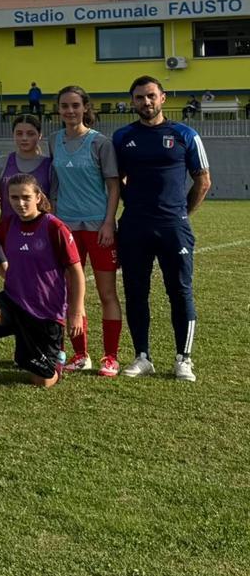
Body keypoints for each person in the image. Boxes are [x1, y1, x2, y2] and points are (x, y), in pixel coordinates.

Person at [112, 76, 210, 381]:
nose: (146, 102)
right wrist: (136, 205)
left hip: (173, 228)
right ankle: (142, 356)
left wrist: (181, 214)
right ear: (132, 102)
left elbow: (203, 180)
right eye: (139, 97)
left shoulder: (185, 134)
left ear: (163, 98)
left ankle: (184, 358)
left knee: (180, 292)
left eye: (151, 96)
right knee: (135, 292)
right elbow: (117, 181)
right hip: (134, 227)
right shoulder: (122, 137)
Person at [0, 174, 83, 390]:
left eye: (25, 197)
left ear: (37, 197)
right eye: (14, 198)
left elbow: (76, 271)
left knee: (41, 381)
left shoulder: (54, 227)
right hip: (12, 301)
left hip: (45, 311)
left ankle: (56, 359)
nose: (20, 203)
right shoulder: (8, 225)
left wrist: (76, 311)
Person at [49, 85, 123, 376]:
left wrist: (108, 221)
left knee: (107, 293)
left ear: (85, 108)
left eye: (75, 105)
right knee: (69, 291)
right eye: (64, 106)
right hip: (67, 226)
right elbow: (54, 186)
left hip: (97, 226)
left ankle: (111, 356)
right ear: (59, 110)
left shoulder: (99, 143)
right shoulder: (54, 140)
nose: (69, 111)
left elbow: (114, 185)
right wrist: (55, 220)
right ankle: (80, 354)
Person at [0, 115, 54, 200]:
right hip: (7, 214)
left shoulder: (50, 165)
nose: (24, 138)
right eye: (19, 134)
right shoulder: (2, 163)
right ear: (13, 135)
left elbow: (54, 199)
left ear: (40, 135)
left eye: (30, 134)